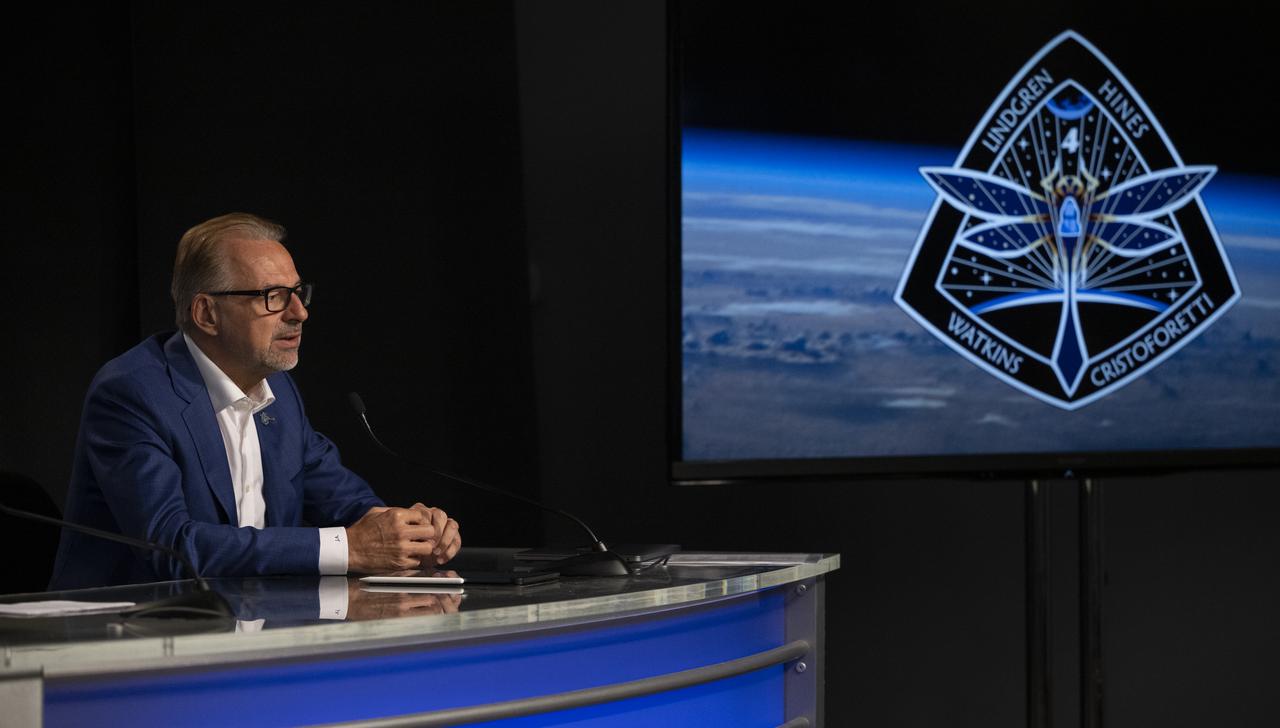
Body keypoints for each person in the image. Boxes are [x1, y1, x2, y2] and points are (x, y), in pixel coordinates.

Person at [49, 213, 460, 590]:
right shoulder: (133, 393)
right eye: (274, 296)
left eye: (299, 293)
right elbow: (171, 547)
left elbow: (344, 503)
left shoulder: (279, 394)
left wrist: (408, 530)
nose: (299, 312)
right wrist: (350, 548)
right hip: (126, 641)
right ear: (207, 313)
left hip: (253, 629)